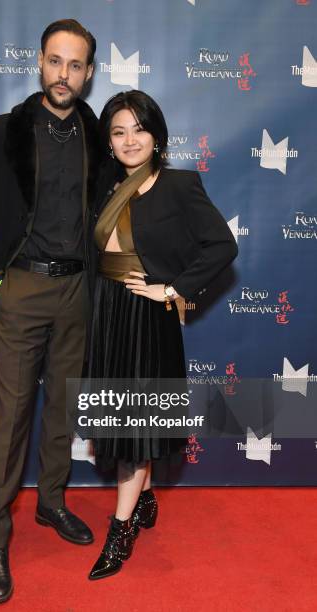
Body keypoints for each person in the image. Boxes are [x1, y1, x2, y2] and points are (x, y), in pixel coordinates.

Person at [0, 19, 109, 603]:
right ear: (39, 63)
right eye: (55, 61)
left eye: (75, 65)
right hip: (18, 288)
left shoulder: (101, 140)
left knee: (62, 410)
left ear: (88, 73)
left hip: (78, 292)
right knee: (12, 416)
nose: (63, 74)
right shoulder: (0, 132)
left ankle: (50, 503)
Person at [86, 90, 238, 580]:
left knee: (132, 434)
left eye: (139, 129)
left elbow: (222, 245)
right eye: (119, 131)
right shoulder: (104, 187)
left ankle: (120, 530)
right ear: (108, 142)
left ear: (157, 136)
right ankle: (146, 499)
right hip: (106, 314)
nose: (130, 140)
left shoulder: (179, 185)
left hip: (146, 319)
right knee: (121, 427)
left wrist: (172, 288)